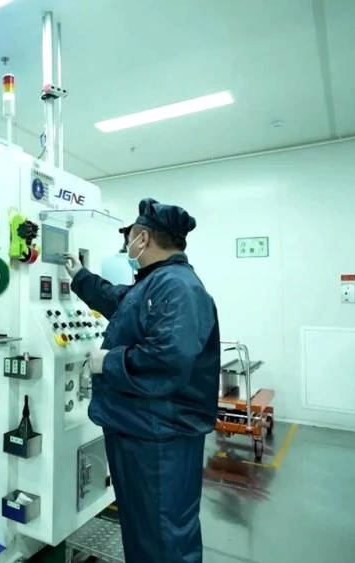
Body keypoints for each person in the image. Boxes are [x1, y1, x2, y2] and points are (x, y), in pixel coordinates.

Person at [63, 198, 220, 563]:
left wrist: (109, 362)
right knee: (142, 529)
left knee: (162, 537)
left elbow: (168, 359)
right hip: (140, 429)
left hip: (160, 437)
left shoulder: (177, 287)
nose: (127, 243)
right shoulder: (156, 282)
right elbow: (119, 301)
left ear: (143, 238)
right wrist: (80, 276)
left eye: (129, 235)